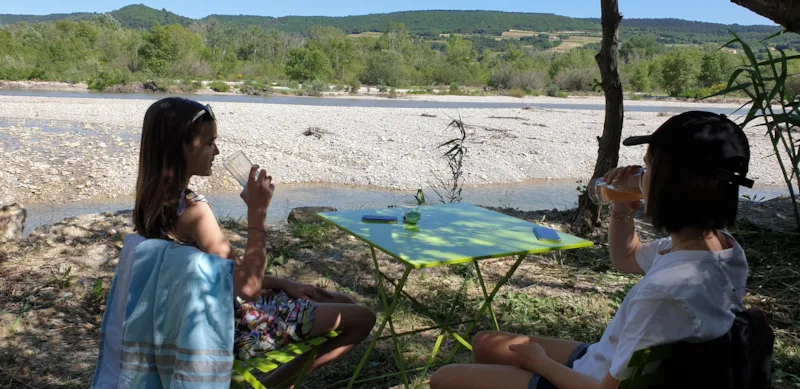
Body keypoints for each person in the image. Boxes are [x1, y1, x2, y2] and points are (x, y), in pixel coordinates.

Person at [430, 111, 752, 389]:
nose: (640, 177)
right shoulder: (720, 250)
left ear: (672, 183)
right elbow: (625, 258)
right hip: (607, 360)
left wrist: (540, 363)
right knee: (486, 342)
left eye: (648, 168)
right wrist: (622, 206)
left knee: (445, 379)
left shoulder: (663, 292)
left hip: (594, 380)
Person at [133, 97, 376, 386]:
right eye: (210, 143)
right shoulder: (195, 211)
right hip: (231, 328)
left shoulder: (153, 202)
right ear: (181, 147)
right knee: (362, 317)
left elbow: (226, 276)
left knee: (340, 301)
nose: (217, 151)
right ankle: (275, 384)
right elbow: (248, 288)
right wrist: (257, 212)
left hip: (194, 317)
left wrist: (283, 283)